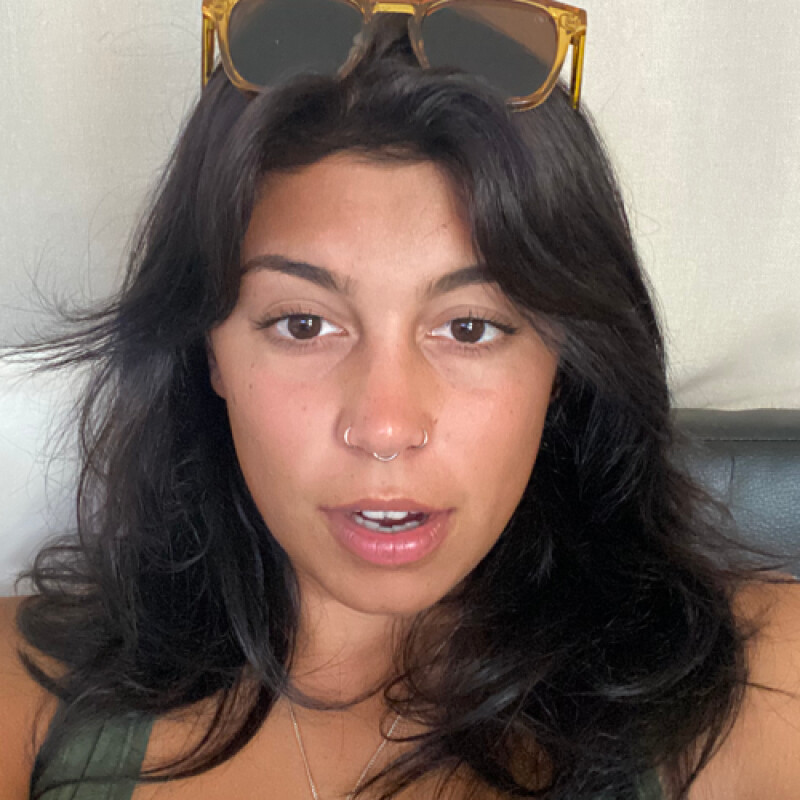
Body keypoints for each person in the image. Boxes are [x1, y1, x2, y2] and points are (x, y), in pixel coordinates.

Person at [1, 3, 799, 799]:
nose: (385, 426)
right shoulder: (22, 694)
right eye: (304, 324)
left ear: (565, 357)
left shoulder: (766, 689)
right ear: (207, 346)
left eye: (470, 327)